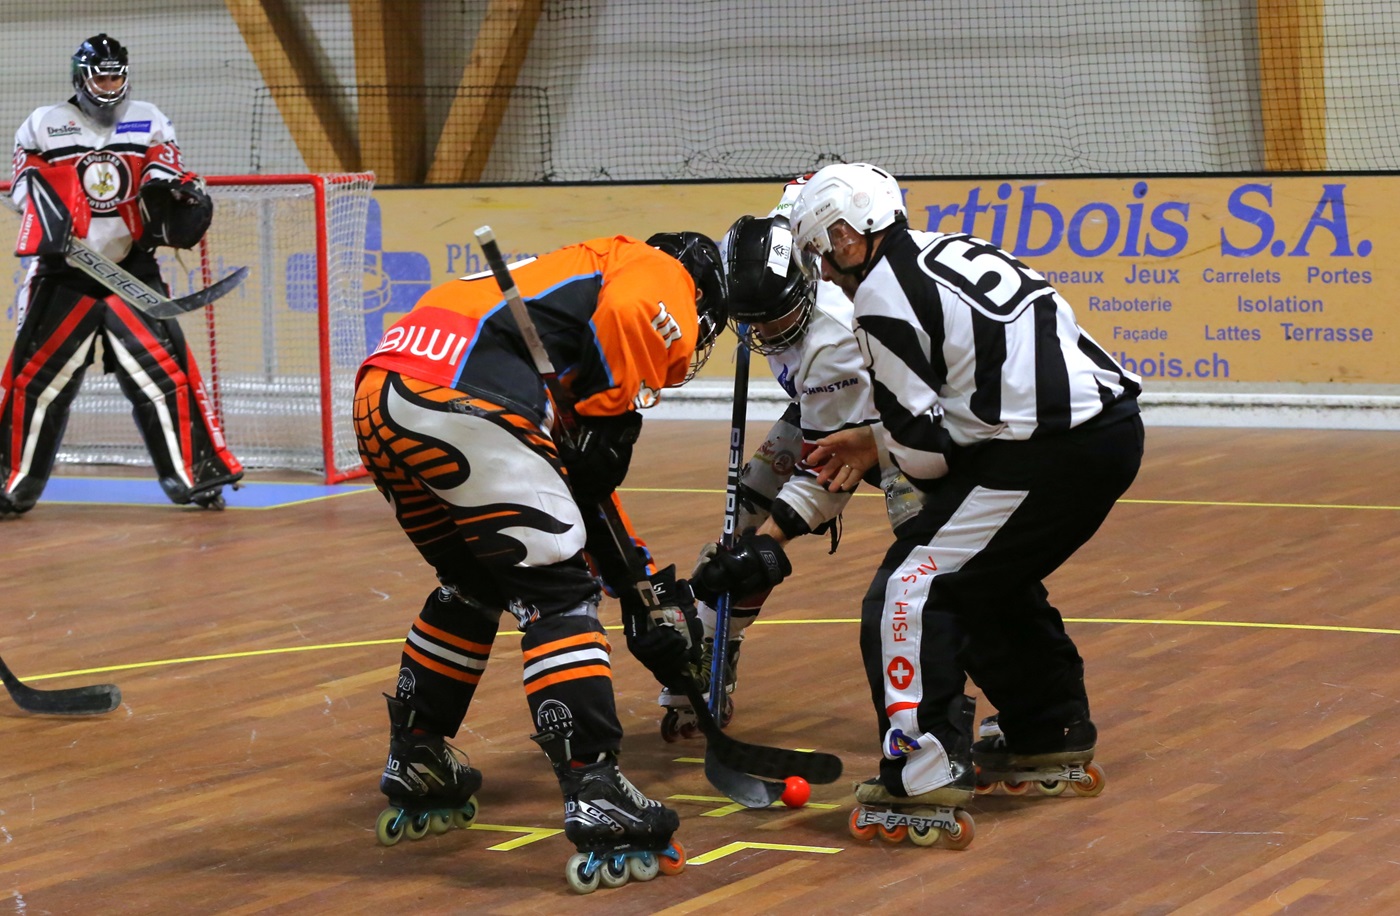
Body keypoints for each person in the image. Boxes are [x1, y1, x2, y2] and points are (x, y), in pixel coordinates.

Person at [710, 162, 1143, 819]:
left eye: (822, 253)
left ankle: (923, 767)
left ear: (848, 238)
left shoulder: (879, 301)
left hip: (1046, 451)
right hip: (1103, 431)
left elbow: (925, 456)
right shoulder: (946, 248)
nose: (822, 270)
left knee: (909, 587)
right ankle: (1046, 729)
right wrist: (875, 441)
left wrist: (877, 448)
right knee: (983, 576)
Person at [353, 230, 726, 885]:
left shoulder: (566, 292)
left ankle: (416, 755)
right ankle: (596, 788)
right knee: (558, 594)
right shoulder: (658, 271)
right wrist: (614, 421)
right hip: (464, 399)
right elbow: (631, 315)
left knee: (476, 581)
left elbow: (580, 493)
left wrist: (636, 587)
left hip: (383, 393)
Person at [666, 184, 923, 740]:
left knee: (923, 550)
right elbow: (792, 202)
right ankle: (714, 645)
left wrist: (769, 546)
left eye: (776, 321)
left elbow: (828, 476)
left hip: (888, 428)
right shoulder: (773, 255)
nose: (764, 334)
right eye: (752, 321)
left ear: (806, 286)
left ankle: (945, 703)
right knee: (742, 516)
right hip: (816, 407)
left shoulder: (831, 342)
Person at [1, 34, 242, 514]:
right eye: (101, 77)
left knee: (165, 373)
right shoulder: (43, 123)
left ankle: (199, 477)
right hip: (63, 271)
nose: (109, 86)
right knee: (34, 379)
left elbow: (163, 172)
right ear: (81, 77)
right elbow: (23, 186)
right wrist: (49, 218)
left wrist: (176, 196)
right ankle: (8, 483)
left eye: (116, 77)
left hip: (130, 269)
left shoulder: (150, 118)